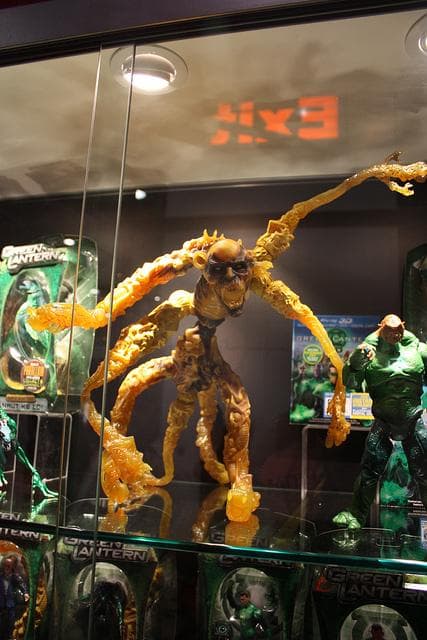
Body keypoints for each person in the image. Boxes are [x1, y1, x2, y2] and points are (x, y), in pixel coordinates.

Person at [333, 314, 427, 528]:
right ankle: (356, 515)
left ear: (403, 327)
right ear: (381, 328)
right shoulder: (368, 353)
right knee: (369, 471)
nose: (395, 334)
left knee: (424, 472)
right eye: (390, 330)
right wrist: (354, 365)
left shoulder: (418, 349)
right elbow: (350, 382)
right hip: (384, 421)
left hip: (413, 419)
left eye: (398, 329)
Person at [0, 556, 29, 640]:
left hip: (10, 605)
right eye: (6, 565)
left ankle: (10, 637)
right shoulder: (1, 577)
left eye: (9, 566)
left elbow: (22, 584)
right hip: (1, 605)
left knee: (11, 625)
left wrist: (25, 593)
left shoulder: (14, 577)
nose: (7, 567)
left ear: (12, 567)